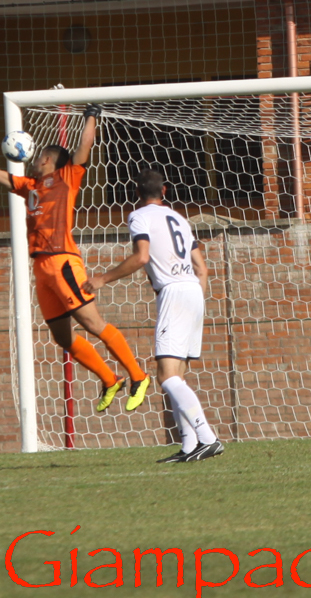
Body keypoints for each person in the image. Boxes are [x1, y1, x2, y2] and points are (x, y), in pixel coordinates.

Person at [0, 108, 151, 413]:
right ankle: (110, 379)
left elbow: (84, 146)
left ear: (46, 160)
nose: (32, 162)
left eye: (37, 158)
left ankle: (138, 376)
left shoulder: (66, 178)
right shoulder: (29, 187)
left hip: (63, 263)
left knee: (92, 323)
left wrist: (91, 115)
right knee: (62, 337)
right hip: (41, 268)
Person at [96, 168, 223, 464]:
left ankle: (208, 438)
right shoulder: (179, 218)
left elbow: (141, 256)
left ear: (136, 193)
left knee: (166, 376)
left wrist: (103, 278)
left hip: (174, 293)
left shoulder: (139, 216)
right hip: (194, 291)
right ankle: (189, 445)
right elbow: (202, 269)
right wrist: (194, 302)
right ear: (164, 191)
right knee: (177, 376)